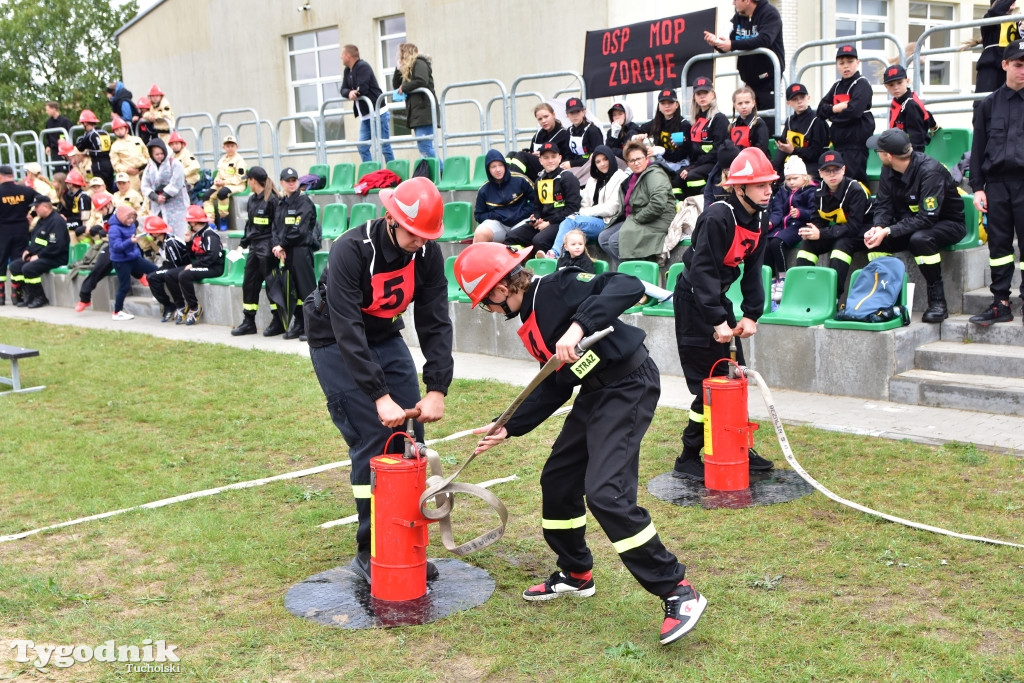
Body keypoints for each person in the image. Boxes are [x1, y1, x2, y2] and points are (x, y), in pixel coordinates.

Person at [455, 242, 706, 647]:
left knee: (606, 494)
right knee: (558, 482)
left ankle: (678, 590)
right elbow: (555, 383)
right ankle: (575, 574)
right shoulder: (531, 319)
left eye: (486, 301)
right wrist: (509, 425)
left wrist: (578, 326)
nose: (491, 311)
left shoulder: (559, 286)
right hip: (595, 392)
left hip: (628, 386)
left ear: (500, 290)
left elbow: (626, 284)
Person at [304, 176, 453, 586]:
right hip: (336, 341)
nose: (420, 242)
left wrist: (437, 387)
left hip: (385, 334)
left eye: (427, 236)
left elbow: (435, 320)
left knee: (410, 437)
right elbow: (348, 328)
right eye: (414, 233)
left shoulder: (426, 254)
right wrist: (379, 395)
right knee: (374, 437)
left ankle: (406, 539)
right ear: (391, 218)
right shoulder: (351, 250)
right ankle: (371, 549)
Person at [672, 147, 777, 482]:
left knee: (734, 378)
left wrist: (751, 314)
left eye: (769, 184)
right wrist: (718, 320)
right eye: (760, 185)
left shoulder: (760, 217)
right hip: (694, 301)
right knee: (710, 384)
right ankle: (688, 457)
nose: (768, 190)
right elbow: (701, 272)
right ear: (739, 187)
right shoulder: (718, 216)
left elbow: (754, 269)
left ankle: (738, 444)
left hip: (716, 299)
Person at [866, 129, 965, 323]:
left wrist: (890, 230)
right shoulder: (889, 168)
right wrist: (879, 226)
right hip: (911, 222)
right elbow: (884, 204)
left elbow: (927, 218)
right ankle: (883, 299)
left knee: (920, 239)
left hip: (947, 223)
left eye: (878, 150)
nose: (876, 153)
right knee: (876, 241)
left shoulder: (930, 172)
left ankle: (938, 301)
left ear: (889, 155)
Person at [968, 41, 1024, 325]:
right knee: (999, 247)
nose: (1023, 70)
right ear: (1004, 65)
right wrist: (977, 187)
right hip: (997, 185)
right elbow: (977, 150)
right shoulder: (988, 105)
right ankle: (1000, 302)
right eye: (1018, 64)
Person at [794, 151, 872, 301]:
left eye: (836, 170)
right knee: (808, 244)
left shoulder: (855, 189)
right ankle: (802, 294)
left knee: (841, 246)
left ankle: (832, 297)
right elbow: (818, 220)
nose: (832, 174)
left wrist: (821, 234)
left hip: (863, 230)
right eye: (827, 171)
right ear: (820, 173)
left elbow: (854, 227)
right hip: (840, 229)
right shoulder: (818, 191)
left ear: (843, 169)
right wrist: (811, 231)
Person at [705, 0, 785, 131]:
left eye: (735, 0)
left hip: (767, 79)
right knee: (749, 125)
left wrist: (732, 44)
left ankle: (767, 151)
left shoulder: (770, 13)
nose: (733, 3)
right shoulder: (738, 17)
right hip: (749, 80)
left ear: (747, 1)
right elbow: (730, 43)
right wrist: (716, 43)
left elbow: (765, 39)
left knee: (767, 124)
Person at [598, 141, 674, 267]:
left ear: (646, 158)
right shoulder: (633, 177)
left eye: (639, 158)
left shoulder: (655, 174)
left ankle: (641, 272)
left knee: (615, 241)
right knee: (604, 238)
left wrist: (637, 219)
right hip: (637, 218)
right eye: (632, 160)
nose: (636, 163)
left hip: (657, 220)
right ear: (627, 163)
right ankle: (631, 270)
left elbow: (657, 205)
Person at [547, 145, 627, 257]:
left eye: (605, 159)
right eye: (598, 162)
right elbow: (584, 205)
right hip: (591, 220)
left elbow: (612, 208)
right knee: (571, 231)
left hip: (608, 222)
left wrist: (586, 213)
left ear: (611, 159)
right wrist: (585, 213)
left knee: (571, 221)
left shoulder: (620, 177)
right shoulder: (592, 180)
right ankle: (563, 261)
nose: (602, 164)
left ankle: (554, 254)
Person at [230, 166, 282, 337]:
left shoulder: (273, 200)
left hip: (267, 248)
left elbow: (277, 227)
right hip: (254, 247)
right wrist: (242, 245)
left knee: (271, 285)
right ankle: (248, 321)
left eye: (248, 180)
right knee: (249, 283)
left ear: (253, 180)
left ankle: (278, 320)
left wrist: (275, 246)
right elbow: (249, 226)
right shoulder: (252, 199)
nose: (248, 183)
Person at [505, 142, 581, 254]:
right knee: (512, 236)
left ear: (560, 158)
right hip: (544, 222)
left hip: (562, 222)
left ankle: (544, 268)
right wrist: (536, 218)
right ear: (540, 160)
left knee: (539, 240)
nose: (550, 161)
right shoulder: (539, 180)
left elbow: (573, 209)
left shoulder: (568, 178)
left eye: (553, 157)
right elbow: (537, 207)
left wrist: (549, 222)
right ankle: (522, 267)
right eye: (546, 158)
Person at [272, 167, 320, 341]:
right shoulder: (282, 203)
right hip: (287, 252)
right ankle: (300, 323)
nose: (291, 183)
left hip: (300, 249)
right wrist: (277, 245)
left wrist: (282, 244)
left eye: (294, 180)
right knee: (294, 291)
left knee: (307, 290)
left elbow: (299, 229)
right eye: (288, 181)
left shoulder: (304, 202)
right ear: (282, 183)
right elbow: (276, 228)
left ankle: (314, 327)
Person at [817, 45, 875, 184]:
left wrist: (832, 116)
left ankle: (862, 205)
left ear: (858, 63)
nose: (846, 66)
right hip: (839, 144)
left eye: (850, 62)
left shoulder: (862, 84)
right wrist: (837, 108)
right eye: (841, 63)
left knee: (854, 180)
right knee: (841, 182)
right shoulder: (837, 86)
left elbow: (854, 112)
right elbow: (820, 111)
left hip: (856, 143)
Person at [766, 156, 817, 301]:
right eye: (788, 179)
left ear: (804, 176)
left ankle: (783, 278)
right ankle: (771, 279)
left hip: (799, 225)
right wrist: (770, 223)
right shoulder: (783, 191)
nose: (791, 182)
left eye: (795, 178)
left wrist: (801, 213)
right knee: (765, 242)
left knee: (776, 243)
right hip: (783, 226)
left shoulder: (811, 191)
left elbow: (814, 213)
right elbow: (777, 211)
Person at [8, 196, 68, 309]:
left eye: (37, 207)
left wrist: (39, 256)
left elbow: (56, 246)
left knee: (29, 268)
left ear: (46, 206)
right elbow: (36, 240)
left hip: (55, 257)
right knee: (15, 266)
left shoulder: (56, 221)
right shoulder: (42, 220)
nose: (35, 210)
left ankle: (40, 297)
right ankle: (29, 296)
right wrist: (28, 251)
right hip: (41, 255)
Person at [168, 205, 224, 325]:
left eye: (189, 221)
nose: (188, 223)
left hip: (213, 268)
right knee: (169, 275)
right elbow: (192, 256)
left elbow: (212, 257)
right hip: (201, 266)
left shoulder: (209, 235)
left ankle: (194, 307)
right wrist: (188, 243)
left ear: (193, 222)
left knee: (184, 275)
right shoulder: (197, 234)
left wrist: (195, 266)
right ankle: (181, 306)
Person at [341, 44, 395, 163]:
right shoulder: (347, 71)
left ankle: (394, 176)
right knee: (362, 146)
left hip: (378, 113)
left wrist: (355, 93)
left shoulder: (363, 67)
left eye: (342, 55)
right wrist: (349, 92)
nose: (341, 58)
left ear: (348, 56)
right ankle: (372, 175)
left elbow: (362, 89)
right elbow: (343, 89)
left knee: (384, 146)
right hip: (365, 117)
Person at [679, 77, 729, 198]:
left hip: (715, 163)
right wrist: (683, 144)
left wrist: (693, 167)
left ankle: (700, 205)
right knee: (676, 178)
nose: (702, 97)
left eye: (705, 93)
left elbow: (718, 150)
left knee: (691, 177)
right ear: (694, 97)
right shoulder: (695, 119)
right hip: (698, 163)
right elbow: (694, 149)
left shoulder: (719, 118)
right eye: (698, 94)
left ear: (713, 95)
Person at [0, 165, 43, 306]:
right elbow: (43, 201)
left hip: (3, 230)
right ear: (12, 175)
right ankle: (17, 295)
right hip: (21, 229)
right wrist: (31, 214)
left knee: (1, 261)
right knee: (18, 260)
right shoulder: (25, 190)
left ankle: (1, 296)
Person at [107, 204, 158, 321]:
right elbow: (116, 246)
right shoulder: (114, 229)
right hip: (121, 261)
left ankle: (157, 294)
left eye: (133, 218)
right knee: (124, 286)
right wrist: (130, 241)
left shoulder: (132, 225)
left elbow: (134, 242)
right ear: (121, 217)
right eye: (128, 218)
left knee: (155, 270)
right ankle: (117, 312)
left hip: (134, 258)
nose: (130, 221)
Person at [472, 149, 535, 244]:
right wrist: (495, 216)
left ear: (505, 166)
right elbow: (479, 215)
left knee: (522, 233)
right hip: (499, 224)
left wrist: (523, 213)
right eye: (493, 167)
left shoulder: (520, 180)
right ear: (488, 169)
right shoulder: (483, 190)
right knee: (480, 233)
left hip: (521, 221)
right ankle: (480, 259)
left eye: (500, 165)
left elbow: (536, 201)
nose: (498, 170)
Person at [393, 43, 440, 163]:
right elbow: (396, 86)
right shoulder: (408, 69)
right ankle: (434, 173)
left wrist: (405, 87)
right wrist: (397, 69)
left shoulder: (419, 63)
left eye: (401, 55)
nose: (400, 57)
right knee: (424, 147)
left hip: (424, 110)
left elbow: (422, 80)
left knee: (425, 146)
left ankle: (442, 171)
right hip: (417, 112)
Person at [771, 83, 830, 180]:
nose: (799, 101)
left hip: (814, 165)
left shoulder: (817, 120)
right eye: (795, 99)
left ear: (808, 98)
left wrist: (793, 151)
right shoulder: (789, 121)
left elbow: (817, 153)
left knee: (796, 178)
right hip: (795, 163)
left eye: (802, 97)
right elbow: (783, 148)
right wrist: (774, 168)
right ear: (788, 103)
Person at [74, 192, 118, 312]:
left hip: (126, 247)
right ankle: (84, 298)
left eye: (102, 208)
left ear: (109, 204)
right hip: (112, 247)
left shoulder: (120, 212)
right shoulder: (105, 216)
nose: (101, 211)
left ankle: (143, 277)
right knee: (98, 268)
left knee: (139, 267)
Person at [144, 215, 192, 322]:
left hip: (180, 266)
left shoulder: (170, 242)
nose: (149, 235)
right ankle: (167, 305)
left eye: (150, 232)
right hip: (170, 264)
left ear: (156, 233)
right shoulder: (163, 241)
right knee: (151, 276)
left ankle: (175, 305)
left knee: (154, 277)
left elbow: (177, 263)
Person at [141, 137, 189, 240]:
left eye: (162, 153)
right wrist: (154, 196)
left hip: (176, 205)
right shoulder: (149, 167)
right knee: (161, 234)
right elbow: (145, 185)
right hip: (157, 205)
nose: (160, 157)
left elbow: (177, 182)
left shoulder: (174, 163)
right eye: (157, 154)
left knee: (179, 232)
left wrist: (165, 195)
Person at [632, 89, 690, 171]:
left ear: (676, 105)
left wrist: (661, 151)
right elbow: (636, 130)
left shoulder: (684, 125)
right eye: (663, 103)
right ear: (659, 106)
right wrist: (636, 136)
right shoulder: (656, 122)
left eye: (670, 102)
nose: (667, 106)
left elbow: (681, 155)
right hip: (659, 163)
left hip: (679, 165)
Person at [882, 64, 935, 153]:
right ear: (886, 87)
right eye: (891, 85)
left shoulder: (911, 105)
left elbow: (916, 138)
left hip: (911, 154)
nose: (896, 88)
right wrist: (934, 125)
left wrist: (911, 159)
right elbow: (926, 113)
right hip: (899, 147)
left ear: (907, 81)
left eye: (899, 82)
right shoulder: (898, 101)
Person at [510, 103, 571, 178]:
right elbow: (531, 152)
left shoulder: (564, 134)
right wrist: (529, 152)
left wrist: (544, 155)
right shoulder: (538, 135)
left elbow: (566, 158)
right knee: (511, 155)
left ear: (553, 115)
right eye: (540, 119)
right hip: (537, 167)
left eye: (546, 116)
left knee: (522, 156)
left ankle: (512, 183)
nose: (544, 121)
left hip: (551, 168)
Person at [975, 1, 1024, 94]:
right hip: (991, 69)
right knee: (985, 101)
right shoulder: (990, 17)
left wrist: (1022, 30)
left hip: (1008, 69)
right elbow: (997, 10)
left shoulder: (1017, 22)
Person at [205, 136, 247, 230]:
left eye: (232, 146)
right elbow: (219, 174)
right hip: (222, 184)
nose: (230, 148)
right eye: (227, 146)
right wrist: (216, 180)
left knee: (222, 193)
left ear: (236, 147)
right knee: (207, 195)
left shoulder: (239, 160)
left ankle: (223, 218)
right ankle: (210, 221)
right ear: (224, 147)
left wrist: (224, 182)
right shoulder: (222, 160)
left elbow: (240, 178)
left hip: (236, 185)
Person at [75, 109, 115, 191]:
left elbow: (80, 147)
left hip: (98, 164)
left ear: (85, 123)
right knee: (109, 187)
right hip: (108, 162)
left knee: (100, 187)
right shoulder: (104, 132)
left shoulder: (90, 134)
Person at [109, 115, 150, 192]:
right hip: (130, 175)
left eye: (121, 128)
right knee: (134, 195)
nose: (119, 131)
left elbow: (147, 154)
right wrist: (127, 170)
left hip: (145, 171)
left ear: (126, 129)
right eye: (116, 130)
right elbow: (115, 164)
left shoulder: (137, 140)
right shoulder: (115, 146)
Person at [561, 97, 604, 169]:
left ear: (583, 112)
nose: (575, 115)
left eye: (577, 111)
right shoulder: (569, 131)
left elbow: (598, 157)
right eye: (571, 113)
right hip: (573, 167)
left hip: (590, 168)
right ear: (567, 115)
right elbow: (568, 154)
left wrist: (572, 164)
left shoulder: (592, 130)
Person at [729, 86, 770, 158]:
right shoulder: (733, 125)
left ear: (753, 103)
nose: (744, 106)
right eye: (740, 103)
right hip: (735, 162)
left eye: (747, 102)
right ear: (734, 105)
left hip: (756, 163)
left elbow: (760, 150)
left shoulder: (759, 124)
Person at [59, 169, 91, 245]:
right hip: (75, 220)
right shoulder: (71, 195)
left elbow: (85, 217)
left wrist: (68, 220)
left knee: (62, 225)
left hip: (82, 222)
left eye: (68, 183)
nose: (67, 185)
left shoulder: (83, 197)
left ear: (71, 184)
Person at [43, 102, 74, 174]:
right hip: (55, 149)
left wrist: (65, 140)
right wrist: (48, 146)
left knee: (70, 167)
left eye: (48, 110)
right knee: (58, 169)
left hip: (66, 150)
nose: (46, 112)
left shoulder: (65, 121)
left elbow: (72, 133)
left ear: (54, 109)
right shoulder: (49, 122)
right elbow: (48, 136)